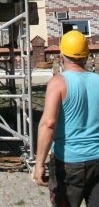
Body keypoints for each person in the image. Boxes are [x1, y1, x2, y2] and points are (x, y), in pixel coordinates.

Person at [33, 30, 99, 206]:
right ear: (87, 55)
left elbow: (48, 124)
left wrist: (39, 163)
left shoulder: (58, 82)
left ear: (61, 55)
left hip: (69, 163)